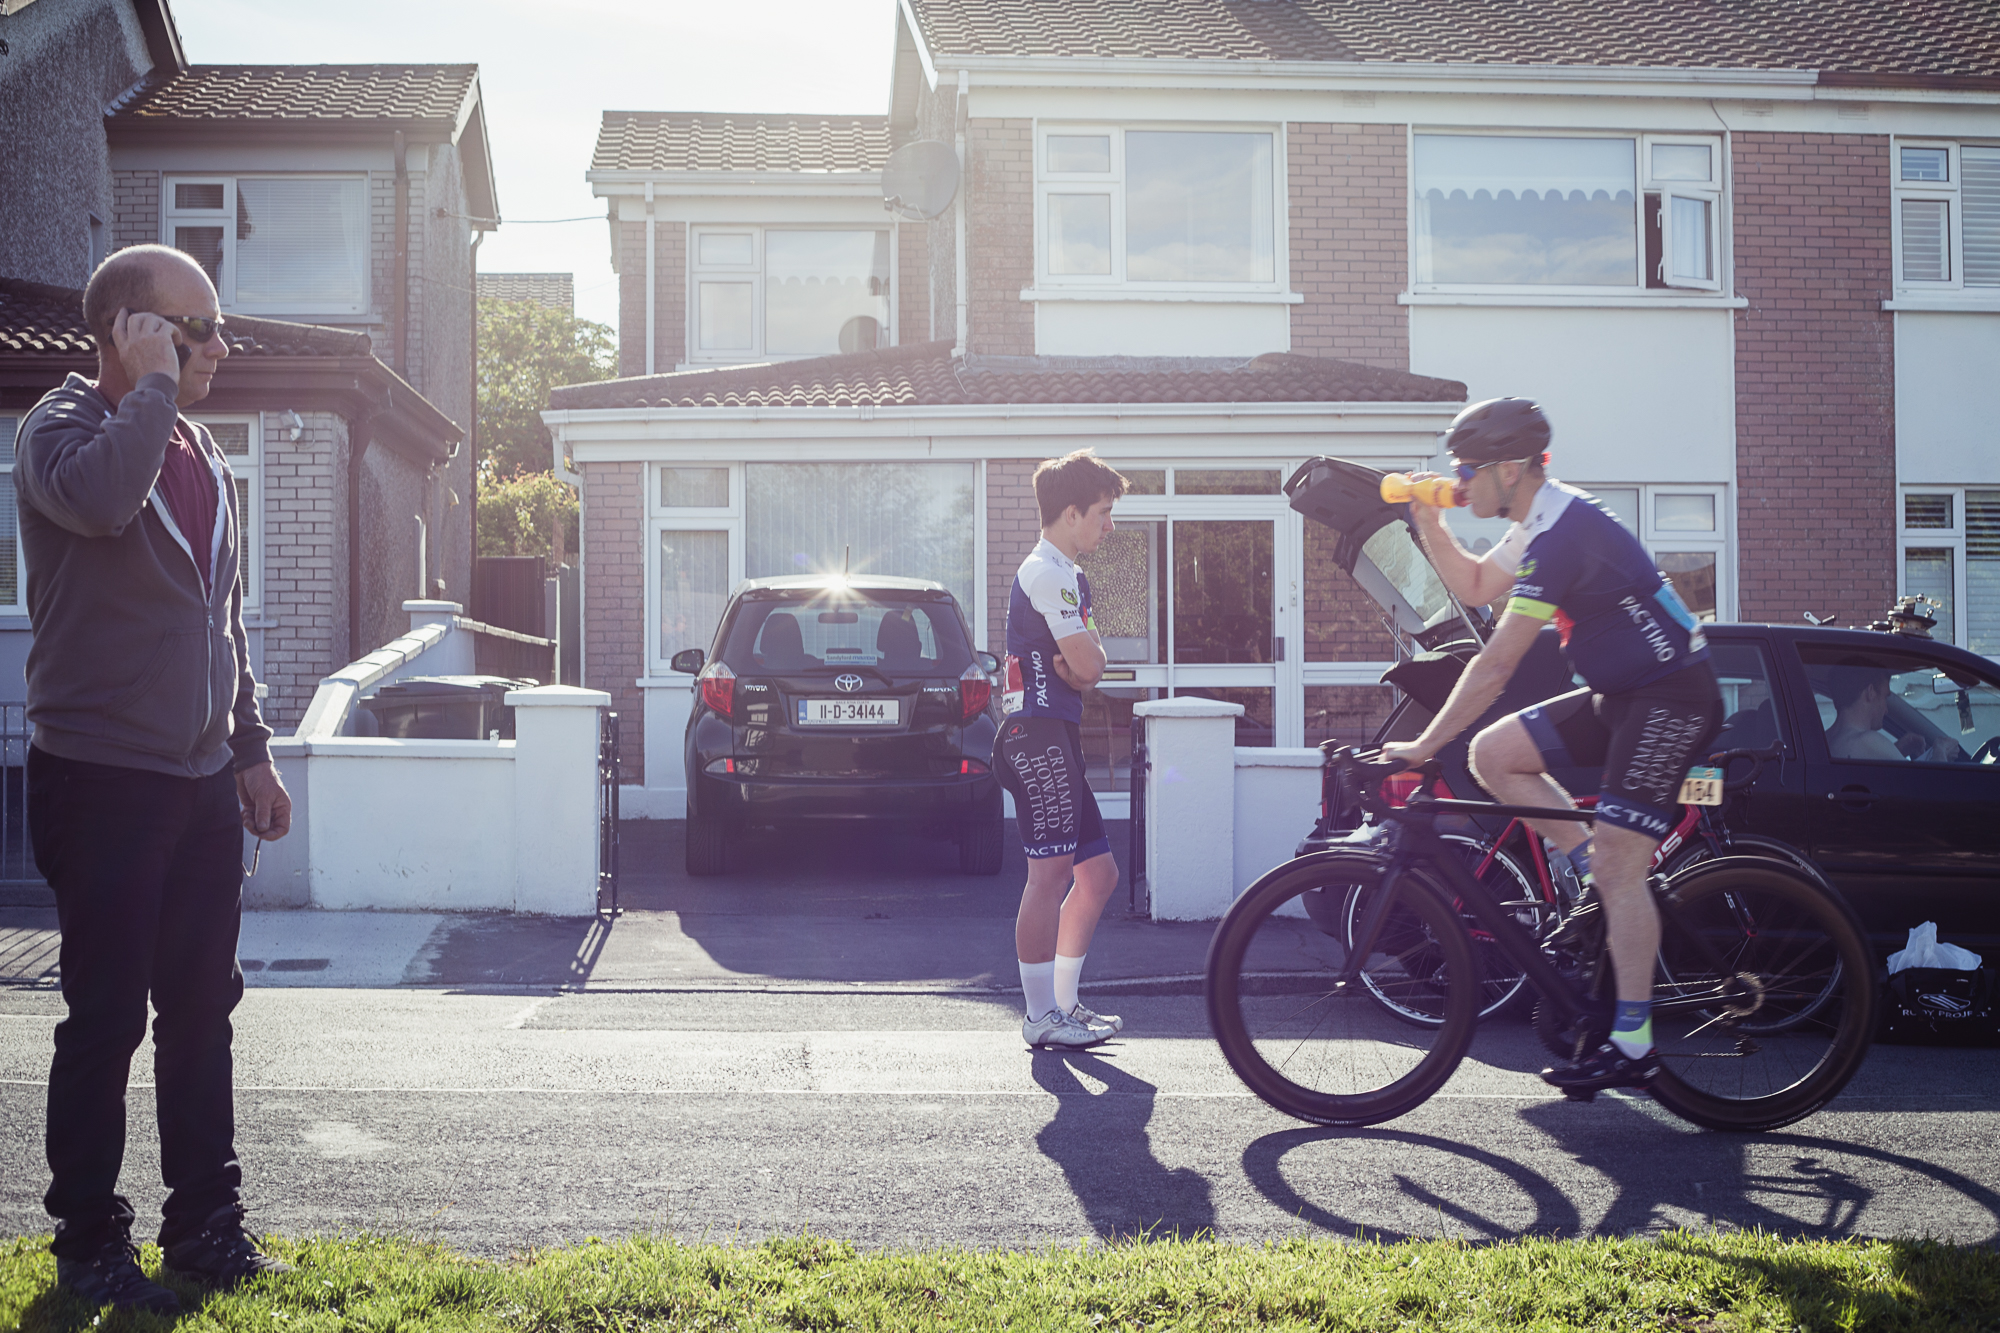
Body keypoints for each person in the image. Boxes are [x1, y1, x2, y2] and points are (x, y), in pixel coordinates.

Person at [15, 245, 294, 1315]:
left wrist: (252, 747)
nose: (220, 346)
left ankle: (205, 1225)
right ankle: (88, 1238)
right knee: (104, 1018)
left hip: (196, 779)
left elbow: (218, 618)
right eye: (197, 328)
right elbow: (97, 503)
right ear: (134, 331)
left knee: (200, 1009)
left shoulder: (200, 447)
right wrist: (155, 391)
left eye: (217, 329)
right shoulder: (64, 430)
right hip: (100, 777)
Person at [1379, 397, 1722, 1093]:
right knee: (1494, 756)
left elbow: (1498, 662)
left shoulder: (1564, 534)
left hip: (1671, 699)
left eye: (1469, 469)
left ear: (1512, 468)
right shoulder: (1538, 517)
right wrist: (1431, 524)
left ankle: (1633, 1042)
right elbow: (1476, 584)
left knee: (1624, 868)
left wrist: (1423, 743)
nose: (1460, 479)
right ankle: (1595, 875)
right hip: (1623, 694)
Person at [997, 450, 1129, 1050]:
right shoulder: (1046, 573)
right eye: (1102, 512)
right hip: (1036, 736)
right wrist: (1081, 669)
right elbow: (1087, 665)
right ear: (1070, 513)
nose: (1109, 525)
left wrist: (1082, 669)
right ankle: (1038, 1016)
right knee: (1048, 875)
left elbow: (1091, 668)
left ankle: (1065, 1006)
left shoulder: (1072, 577)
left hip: (1058, 733)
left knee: (1097, 875)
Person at [1824, 663, 1961, 762]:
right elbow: (1929, 789)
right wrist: (1941, 750)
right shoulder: (1867, 740)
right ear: (1870, 692)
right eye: (1885, 697)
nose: (1886, 709)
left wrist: (1896, 750)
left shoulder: (1826, 740)